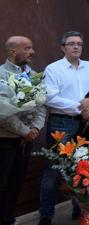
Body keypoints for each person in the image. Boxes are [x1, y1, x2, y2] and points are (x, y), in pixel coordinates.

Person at [39, 31, 89, 225]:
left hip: (85, 124)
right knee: (53, 170)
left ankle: (78, 210)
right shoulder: (53, 69)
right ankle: (46, 216)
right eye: (71, 43)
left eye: (79, 44)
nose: (76, 47)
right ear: (62, 47)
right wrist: (79, 108)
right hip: (61, 123)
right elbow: (50, 98)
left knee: (81, 168)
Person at [0, 36, 46, 225]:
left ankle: (8, 219)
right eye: (27, 48)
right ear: (12, 52)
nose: (32, 52)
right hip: (5, 141)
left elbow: (41, 106)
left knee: (15, 184)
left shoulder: (34, 75)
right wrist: (24, 130)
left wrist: (35, 128)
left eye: (31, 47)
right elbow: (2, 111)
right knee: (1, 184)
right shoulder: (1, 75)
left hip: (26, 140)